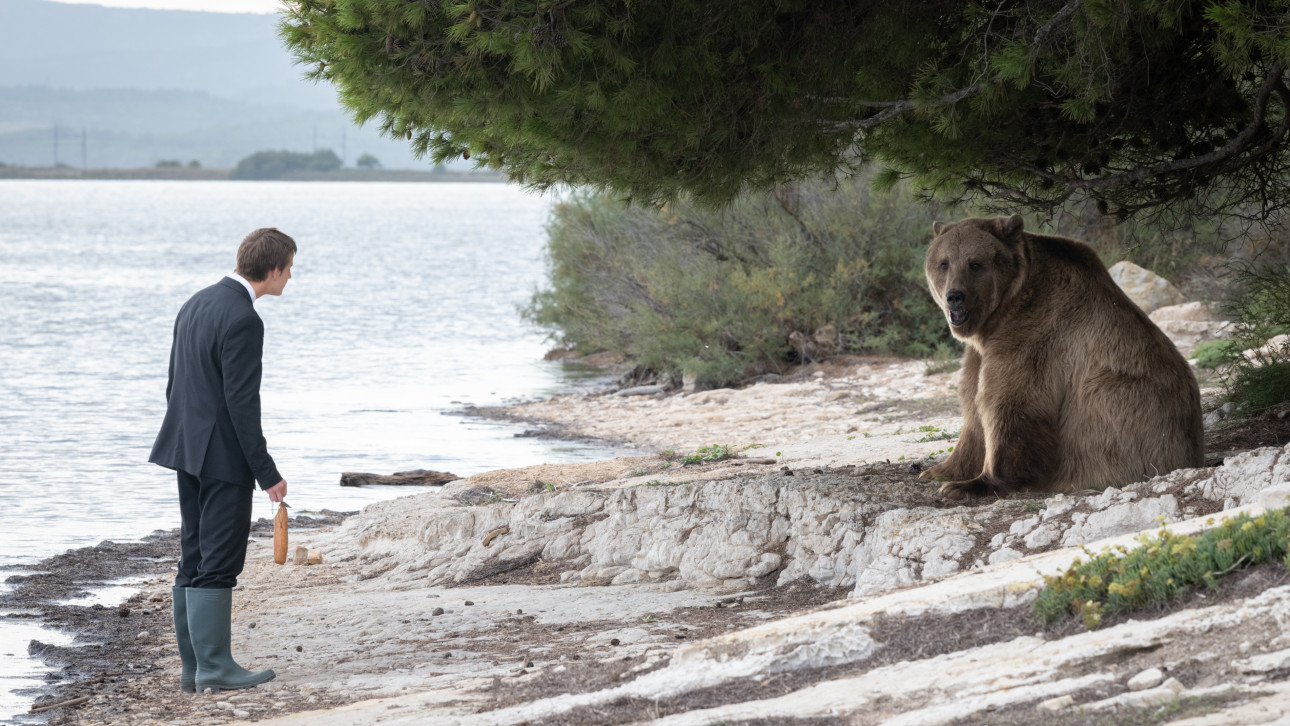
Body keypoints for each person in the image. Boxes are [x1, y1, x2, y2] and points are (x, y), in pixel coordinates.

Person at [149, 228, 295, 692]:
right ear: (272, 270)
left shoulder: (196, 302)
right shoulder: (244, 319)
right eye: (289, 267)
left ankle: (193, 670)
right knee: (219, 561)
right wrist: (266, 472)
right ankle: (214, 669)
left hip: (184, 448)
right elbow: (241, 403)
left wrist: (191, 440)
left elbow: (173, 384)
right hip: (222, 457)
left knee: (193, 555)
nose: (291, 276)